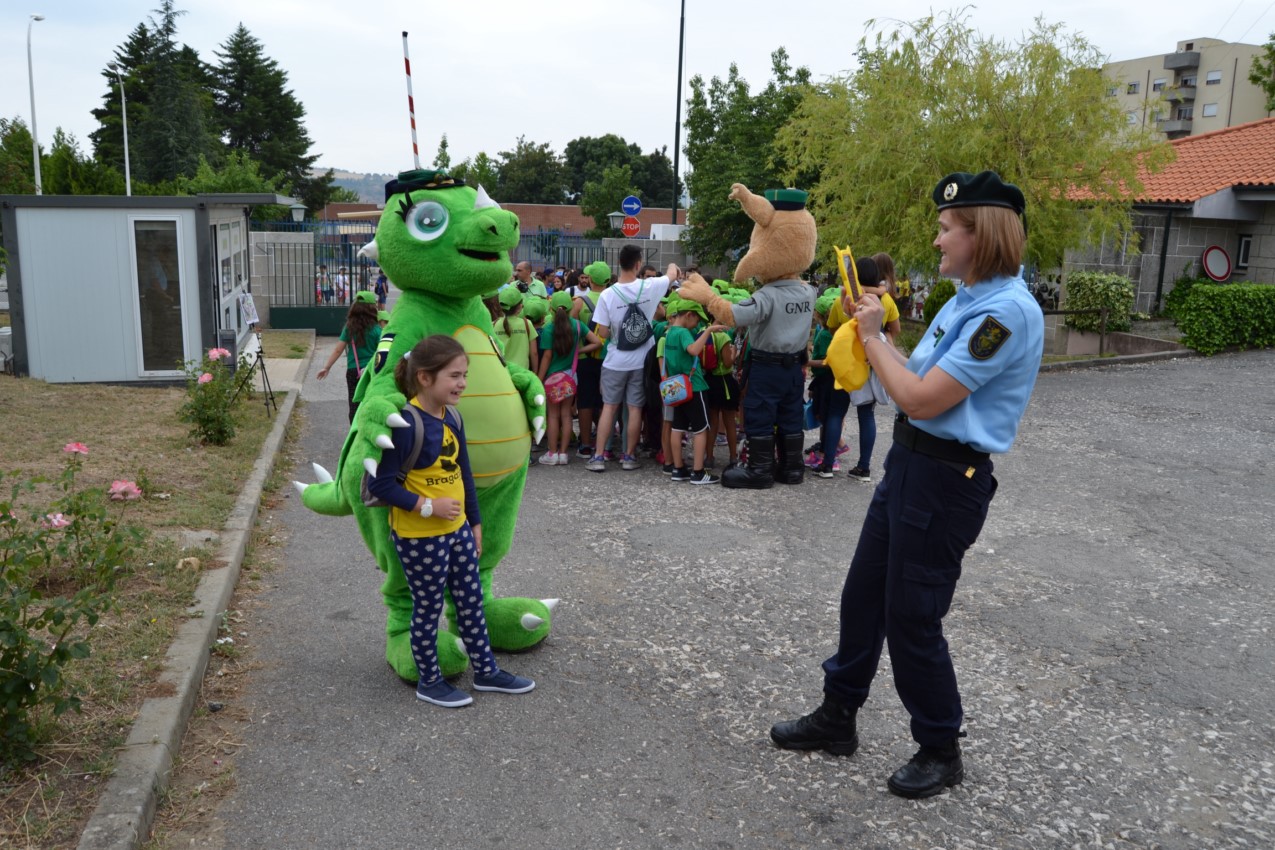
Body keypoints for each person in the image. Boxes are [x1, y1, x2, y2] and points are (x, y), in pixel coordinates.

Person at [770, 171, 1044, 799]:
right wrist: (873, 331)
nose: (938, 238)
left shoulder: (1003, 312)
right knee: (863, 594)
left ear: (984, 233)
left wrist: (871, 338)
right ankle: (839, 716)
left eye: (949, 229)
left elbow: (919, 397)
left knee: (913, 616)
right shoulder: (965, 300)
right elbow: (911, 370)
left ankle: (940, 746)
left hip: (948, 476)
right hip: (913, 465)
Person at [366, 335, 536, 708]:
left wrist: (474, 524)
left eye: (465, 375)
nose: (463, 383)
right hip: (419, 536)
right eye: (454, 376)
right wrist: (428, 507)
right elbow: (380, 485)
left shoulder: (452, 416)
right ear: (425, 378)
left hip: (457, 531)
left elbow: (464, 474)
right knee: (427, 607)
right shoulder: (405, 424)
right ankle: (430, 681)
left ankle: (486, 671)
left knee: (471, 601)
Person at [584, 246, 680, 472]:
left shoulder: (607, 294)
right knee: (635, 408)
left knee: (609, 406)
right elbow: (672, 274)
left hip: (615, 360)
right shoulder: (650, 286)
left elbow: (604, 333)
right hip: (641, 360)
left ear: (619, 263)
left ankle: (598, 457)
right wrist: (673, 267)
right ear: (638, 264)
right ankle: (628, 457)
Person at [663, 299, 724, 484]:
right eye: (697, 320)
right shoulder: (683, 333)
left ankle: (678, 468)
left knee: (677, 427)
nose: (697, 324)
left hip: (677, 388)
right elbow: (693, 350)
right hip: (694, 386)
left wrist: (710, 327)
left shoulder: (670, 331)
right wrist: (708, 331)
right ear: (689, 315)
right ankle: (698, 472)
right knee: (700, 430)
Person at [537, 291, 602, 465]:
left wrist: (539, 378)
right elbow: (597, 342)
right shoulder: (578, 326)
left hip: (552, 378)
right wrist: (578, 351)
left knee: (552, 416)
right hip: (570, 377)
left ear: (550, 309)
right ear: (571, 307)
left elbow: (547, 356)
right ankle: (564, 454)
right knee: (566, 415)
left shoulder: (549, 329)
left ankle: (552, 453)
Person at [316, 291, 382, 422]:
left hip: (353, 371)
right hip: (371, 371)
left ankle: (354, 431)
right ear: (372, 309)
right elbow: (381, 351)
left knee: (354, 403)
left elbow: (338, 350)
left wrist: (327, 367)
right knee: (371, 401)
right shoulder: (377, 329)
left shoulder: (349, 328)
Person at [570, 260, 611, 459]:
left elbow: (570, 328)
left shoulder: (579, 302)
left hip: (584, 356)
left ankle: (585, 444)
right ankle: (606, 444)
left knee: (585, 400)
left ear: (590, 279)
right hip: (609, 357)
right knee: (606, 402)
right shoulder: (614, 300)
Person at [490, 286, 540, 375]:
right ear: (520, 307)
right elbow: (534, 352)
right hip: (522, 374)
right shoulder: (527, 324)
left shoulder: (493, 324)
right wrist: (535, 373)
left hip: (501, 373)